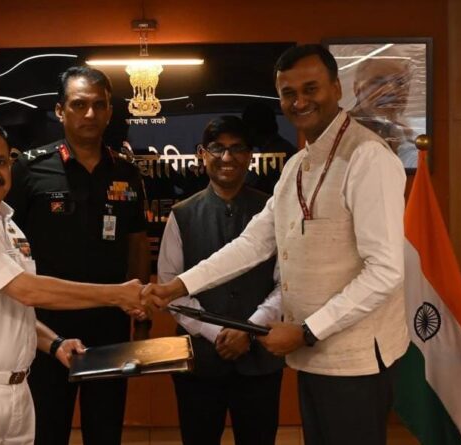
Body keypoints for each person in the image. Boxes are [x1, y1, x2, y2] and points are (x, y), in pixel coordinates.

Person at [142, 44, 408, 445]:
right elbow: (253, 243)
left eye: (310, 88)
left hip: (354, 360)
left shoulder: (368, 157)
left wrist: (306, 331)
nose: (299, 102)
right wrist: (176, 287)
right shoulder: (297, 166)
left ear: (336, 88)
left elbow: (385, 270)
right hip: (315, 357)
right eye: (288, 93)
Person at [0, 120, 144, 445]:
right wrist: (117, 294)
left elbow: (11, 307)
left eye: (0, 161)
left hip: (16, 394)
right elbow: (26, 290)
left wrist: (54, 342)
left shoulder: (8, 226)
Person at [5, 66, 151, 445]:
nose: (90, 114)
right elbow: (6, 245)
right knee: (47, 429)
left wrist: (140, 311)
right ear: (60, 110)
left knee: (105, 429)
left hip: (109, 323)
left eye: (99, 105)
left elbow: (137, 241)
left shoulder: (126, 172)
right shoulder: (29, 169)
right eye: (79, 104)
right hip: (47, 326)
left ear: (110, 111)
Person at [158, 116, 284, 445]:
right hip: (198, 361)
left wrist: (250, 328)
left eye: (237, 148)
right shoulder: (182, 214)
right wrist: (216, 332)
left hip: (260, 360)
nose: (227, 157)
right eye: (217, 148)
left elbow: (286, 284)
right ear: (202, 154)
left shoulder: (273, 211)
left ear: (250, 156)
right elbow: (171, 286)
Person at [348, 55, 418, 168]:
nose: (390, 91)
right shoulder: (338, 134)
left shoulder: (408, 138)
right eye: (378, 82)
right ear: (357, 88)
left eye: (400, 83)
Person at [241, 102, 297, 194]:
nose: (244, 134)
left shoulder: (271, 155)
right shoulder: (285, 149)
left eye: (246, 128)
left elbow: (247, 187)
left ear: (253, 129)